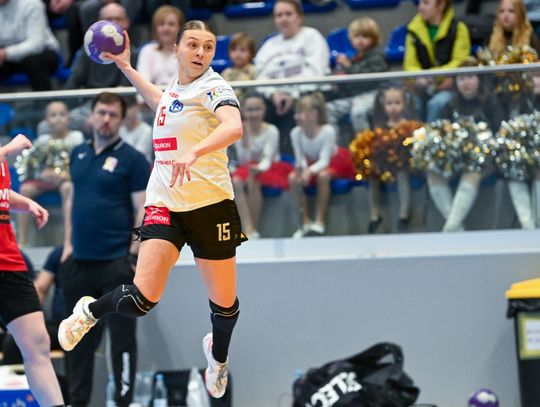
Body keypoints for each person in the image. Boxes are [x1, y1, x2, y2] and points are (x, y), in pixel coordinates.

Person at [58, 20, 246, 400]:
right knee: (140, 299)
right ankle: (88, 313)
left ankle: (218, 358)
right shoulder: (176, 89)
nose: (200, 52)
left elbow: (234, 127)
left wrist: (194, 151)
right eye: (192, 44)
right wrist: (127, 67)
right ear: (176, 49)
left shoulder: (215, 87)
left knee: (225, 307)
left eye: (208, 46)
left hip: (211, 207)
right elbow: (161, 102)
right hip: (165, 204)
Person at [59, 92, 150, 407]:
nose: (106, 119)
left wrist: (133, 256)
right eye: (101, 112)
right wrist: (68, 245)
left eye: (113, 114)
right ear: (92, 116)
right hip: (79, 264)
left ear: (122, 120)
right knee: (77, 341)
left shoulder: (133, 160)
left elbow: (143, 210)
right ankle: (77, 402)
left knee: (122, 340)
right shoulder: (78, 153)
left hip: (116, 265)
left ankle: (123, 402)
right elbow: (71, 200)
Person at [0, 134, 65, 406]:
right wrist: (9, 148)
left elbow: (2, 193)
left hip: (9, 261)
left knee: (37, 343)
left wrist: (23, 203)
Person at [415, 60, 503, 232]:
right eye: (461, 78)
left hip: (484, 160)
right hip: (455, 160)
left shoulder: (491, 102)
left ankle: (450, 229)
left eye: (470, 77)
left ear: (479, 79)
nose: (466, 83)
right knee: (432, 172)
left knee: (472, 171)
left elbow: (499, 134)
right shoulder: (450, 104)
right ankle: (457, 229)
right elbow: (442, 133)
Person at [254, 0, 330, 155]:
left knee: (296, 110)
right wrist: (273, 94)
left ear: (299, 17)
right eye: (279, 15)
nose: (283, 19)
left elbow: (316, 73)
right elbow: (260, 77)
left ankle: (291, 161)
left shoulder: (312, 37)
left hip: (306, 93)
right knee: (253, 106)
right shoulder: (269, 45)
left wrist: (292, 95)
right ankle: (260, 160)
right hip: (275, 98)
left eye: (288, 14)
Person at [349, 83, 421, 233]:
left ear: (404, 104)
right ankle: (374, 214)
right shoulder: (380, 126)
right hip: (384, 165)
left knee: (402, 174)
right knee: (371, 175)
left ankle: (404, 214)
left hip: (403, 165)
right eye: (389, 103)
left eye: (397, 103)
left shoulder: (408, 126)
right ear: (383, 105)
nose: (393, 107)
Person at [61, 3, 136, 136]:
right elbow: (72, 84)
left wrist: (100, 114)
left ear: (126, 23)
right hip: (89, 105)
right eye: (109, 19)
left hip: (120, 105)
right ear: (99, 23)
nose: (113, 24)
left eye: (118, 19)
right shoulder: (88, 52)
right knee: (53, 123)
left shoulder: (133, 53)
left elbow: (126, 92)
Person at [16, 101, 84, 247]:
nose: (58, 118)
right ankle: (22, 240)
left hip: (66, 179)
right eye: (53, 115)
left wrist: (65, 175)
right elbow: (29, 165)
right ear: (46, 120)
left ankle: (69, 239)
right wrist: (41, 174)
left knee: (68, 188)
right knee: (25, 189)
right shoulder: (42, 140)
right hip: (46, 180)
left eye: (62, 114)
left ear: (68, 118)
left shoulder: (76, 138)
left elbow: (81, 162)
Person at [288, 92, 356, 238]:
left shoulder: (327, 131)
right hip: (311, 164)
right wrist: (302, 170)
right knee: (293, 178)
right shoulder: (295, 133)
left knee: (323, 176)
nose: (296, 117)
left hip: (333, 161)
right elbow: (300, 158)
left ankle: (320, 222)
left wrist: (309, 172)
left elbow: (324, 161)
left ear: (313, 115)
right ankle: (305, 222)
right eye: (296, 113)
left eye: (300, 113)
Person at [230, 91, 292, 239]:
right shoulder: (239, 130)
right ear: (243, 111)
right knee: (236, 181)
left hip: (269, 167)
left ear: (264, 109)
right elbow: (243, 160)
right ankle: (247, 227)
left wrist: (258, 168)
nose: (254, 114)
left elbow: (267, 158)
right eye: (250, 110)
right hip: (248, 167)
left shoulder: (272, 130)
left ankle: (254, 227)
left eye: (257, 109)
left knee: (253, 179)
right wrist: (245, 140)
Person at [404, 0, 471, 123]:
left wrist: (434, 76)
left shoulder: (459, 28)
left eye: (426, 3)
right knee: (410, 101)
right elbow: (410, 65)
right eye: (419, 3)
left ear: (441, 5)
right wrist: (421, 78)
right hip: (421, 87)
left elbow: (460, 61)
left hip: (450, 87)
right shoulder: (413, 30)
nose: (420, 7)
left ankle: (432, 135)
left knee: (437, 104)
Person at [1, 246, 66, 365]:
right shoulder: (58, 254)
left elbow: (28, 295)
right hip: (52, 323)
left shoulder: (14, 257)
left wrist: (18, 322)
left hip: (66, 325)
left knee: (15, 341)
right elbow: (40, 289)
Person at [326, 16, 388, 140]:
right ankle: (335, 148)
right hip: (355, 98)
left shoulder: (377, 56)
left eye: (365, 36)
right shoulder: (353, 59)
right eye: (356, 36)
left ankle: (364, 147)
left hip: (375, 94)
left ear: (374, 38)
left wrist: (349, 68)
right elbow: (349, 89)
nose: (360, 40)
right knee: (328, 109)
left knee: (358, 111)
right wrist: (341, 81)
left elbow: (369, 80)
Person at [0, 0, 62, 91]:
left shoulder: (33, 4)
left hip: (43, 52)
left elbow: (36, 44)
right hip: (9, 56)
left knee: (33, 62)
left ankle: (44, 99)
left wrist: (5, 53)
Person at [136, 4, 184, 88]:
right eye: (161, 24)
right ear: (155, 28)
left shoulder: (186, 52)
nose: (166, 28)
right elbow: (143, 82)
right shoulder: (147, 50)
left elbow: (182, 83)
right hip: (149, 95)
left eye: (171, 24)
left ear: (180, 28)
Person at [221, 32, 256, 100]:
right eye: (234, 49)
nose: (238, 53)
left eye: (242, 50)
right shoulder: (226, 72)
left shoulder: (253, 70)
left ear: (251, 53)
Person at [119, 97, 153, 163]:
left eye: (128, 108)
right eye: (123, 109)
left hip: (140, 165)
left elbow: (138, 155)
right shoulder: (119, 129)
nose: (126, 112)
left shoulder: (146, 130)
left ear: (137, 107)